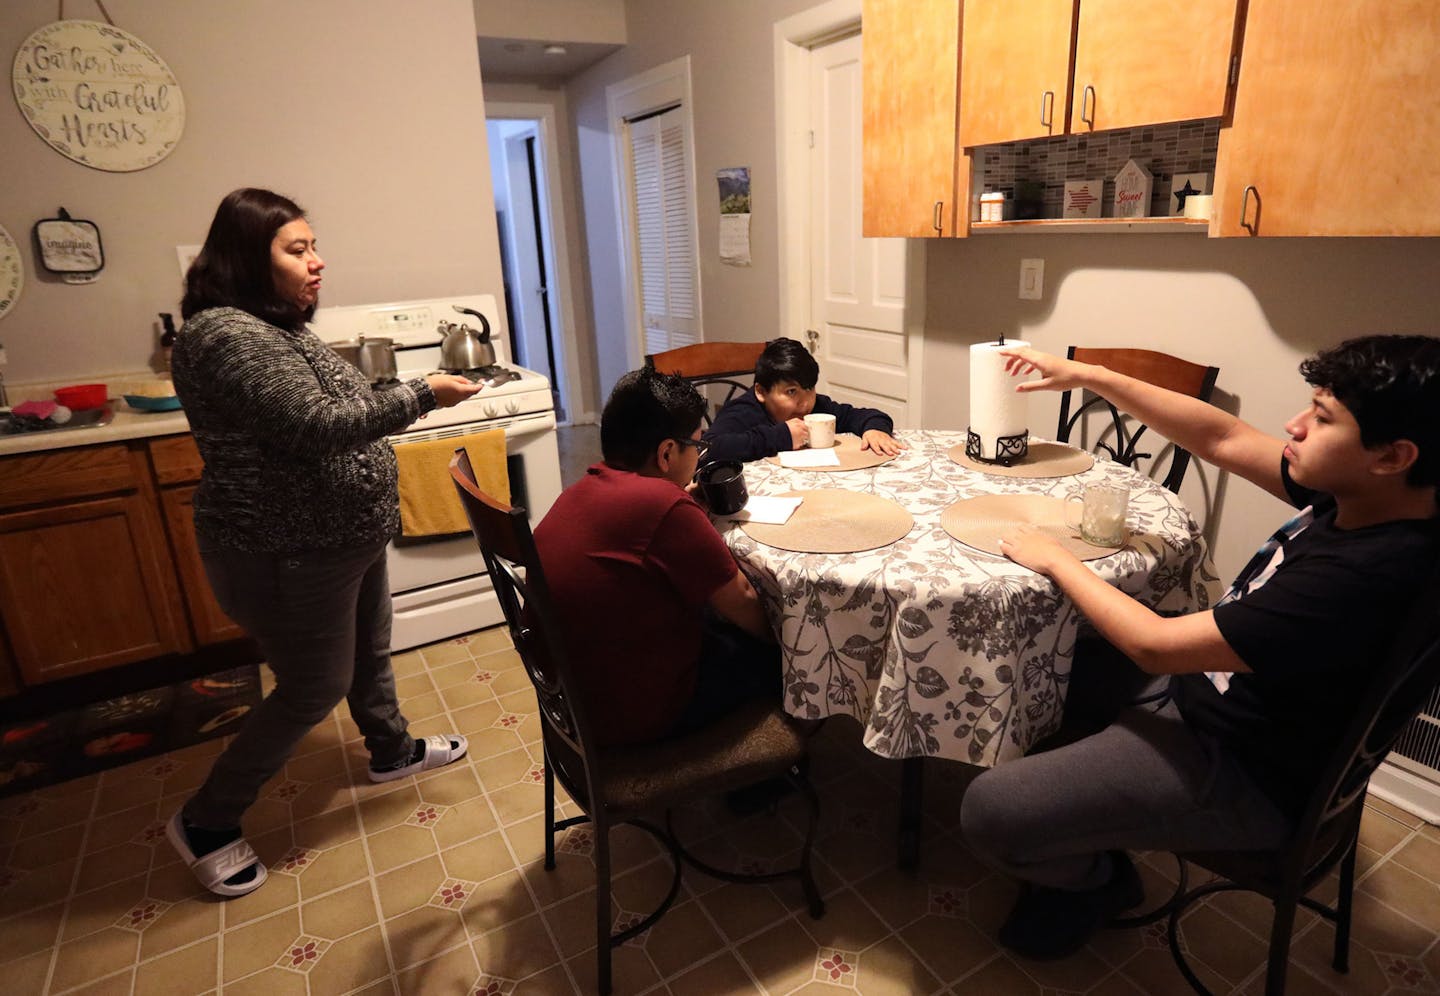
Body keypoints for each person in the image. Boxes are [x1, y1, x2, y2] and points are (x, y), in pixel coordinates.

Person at [959, 334, 1440, 960]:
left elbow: (1154, 647)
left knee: (989, 810)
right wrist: (1089, 375)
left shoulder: (1365, 576)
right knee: (1039, 667)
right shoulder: (1374, 500)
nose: (1294, 426)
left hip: (1244, 765)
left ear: (1391, 455)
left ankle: (1101, 882)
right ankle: (1086, 816)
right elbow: (1224, 438)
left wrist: (1053, 557)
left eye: (1322, 418)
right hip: (1219, 695)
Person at [166, 188, 483, 898]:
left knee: (370, 651)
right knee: (314, 686)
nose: (318, 262)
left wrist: (403, 390)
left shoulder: (277, 325)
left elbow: (338, 405)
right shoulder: (225, 335)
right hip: (285, 546)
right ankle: (207, 821)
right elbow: (314, 426)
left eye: (313, 247)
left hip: (344, 535)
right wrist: (424, 392)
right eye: (297, 249)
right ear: (251, 257)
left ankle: (391, 750)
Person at [533, 367, 781, 747]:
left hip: (567, 703)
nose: (700, 457)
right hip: (631, 716)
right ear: (666, 452)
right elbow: (744, 601)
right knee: (774, 659)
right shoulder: (662, 505)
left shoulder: (580, 489)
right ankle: (753, 782)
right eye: (697, 446)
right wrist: (788, 646)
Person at [702, 337, 905, 463]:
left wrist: (875, 428)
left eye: (809, 389)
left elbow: (863, 415)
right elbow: (707, 450)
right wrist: (780, 436)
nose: (805, 403)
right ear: (761, 392)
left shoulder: (816, 408)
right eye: (791, 392)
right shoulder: (745, 411)